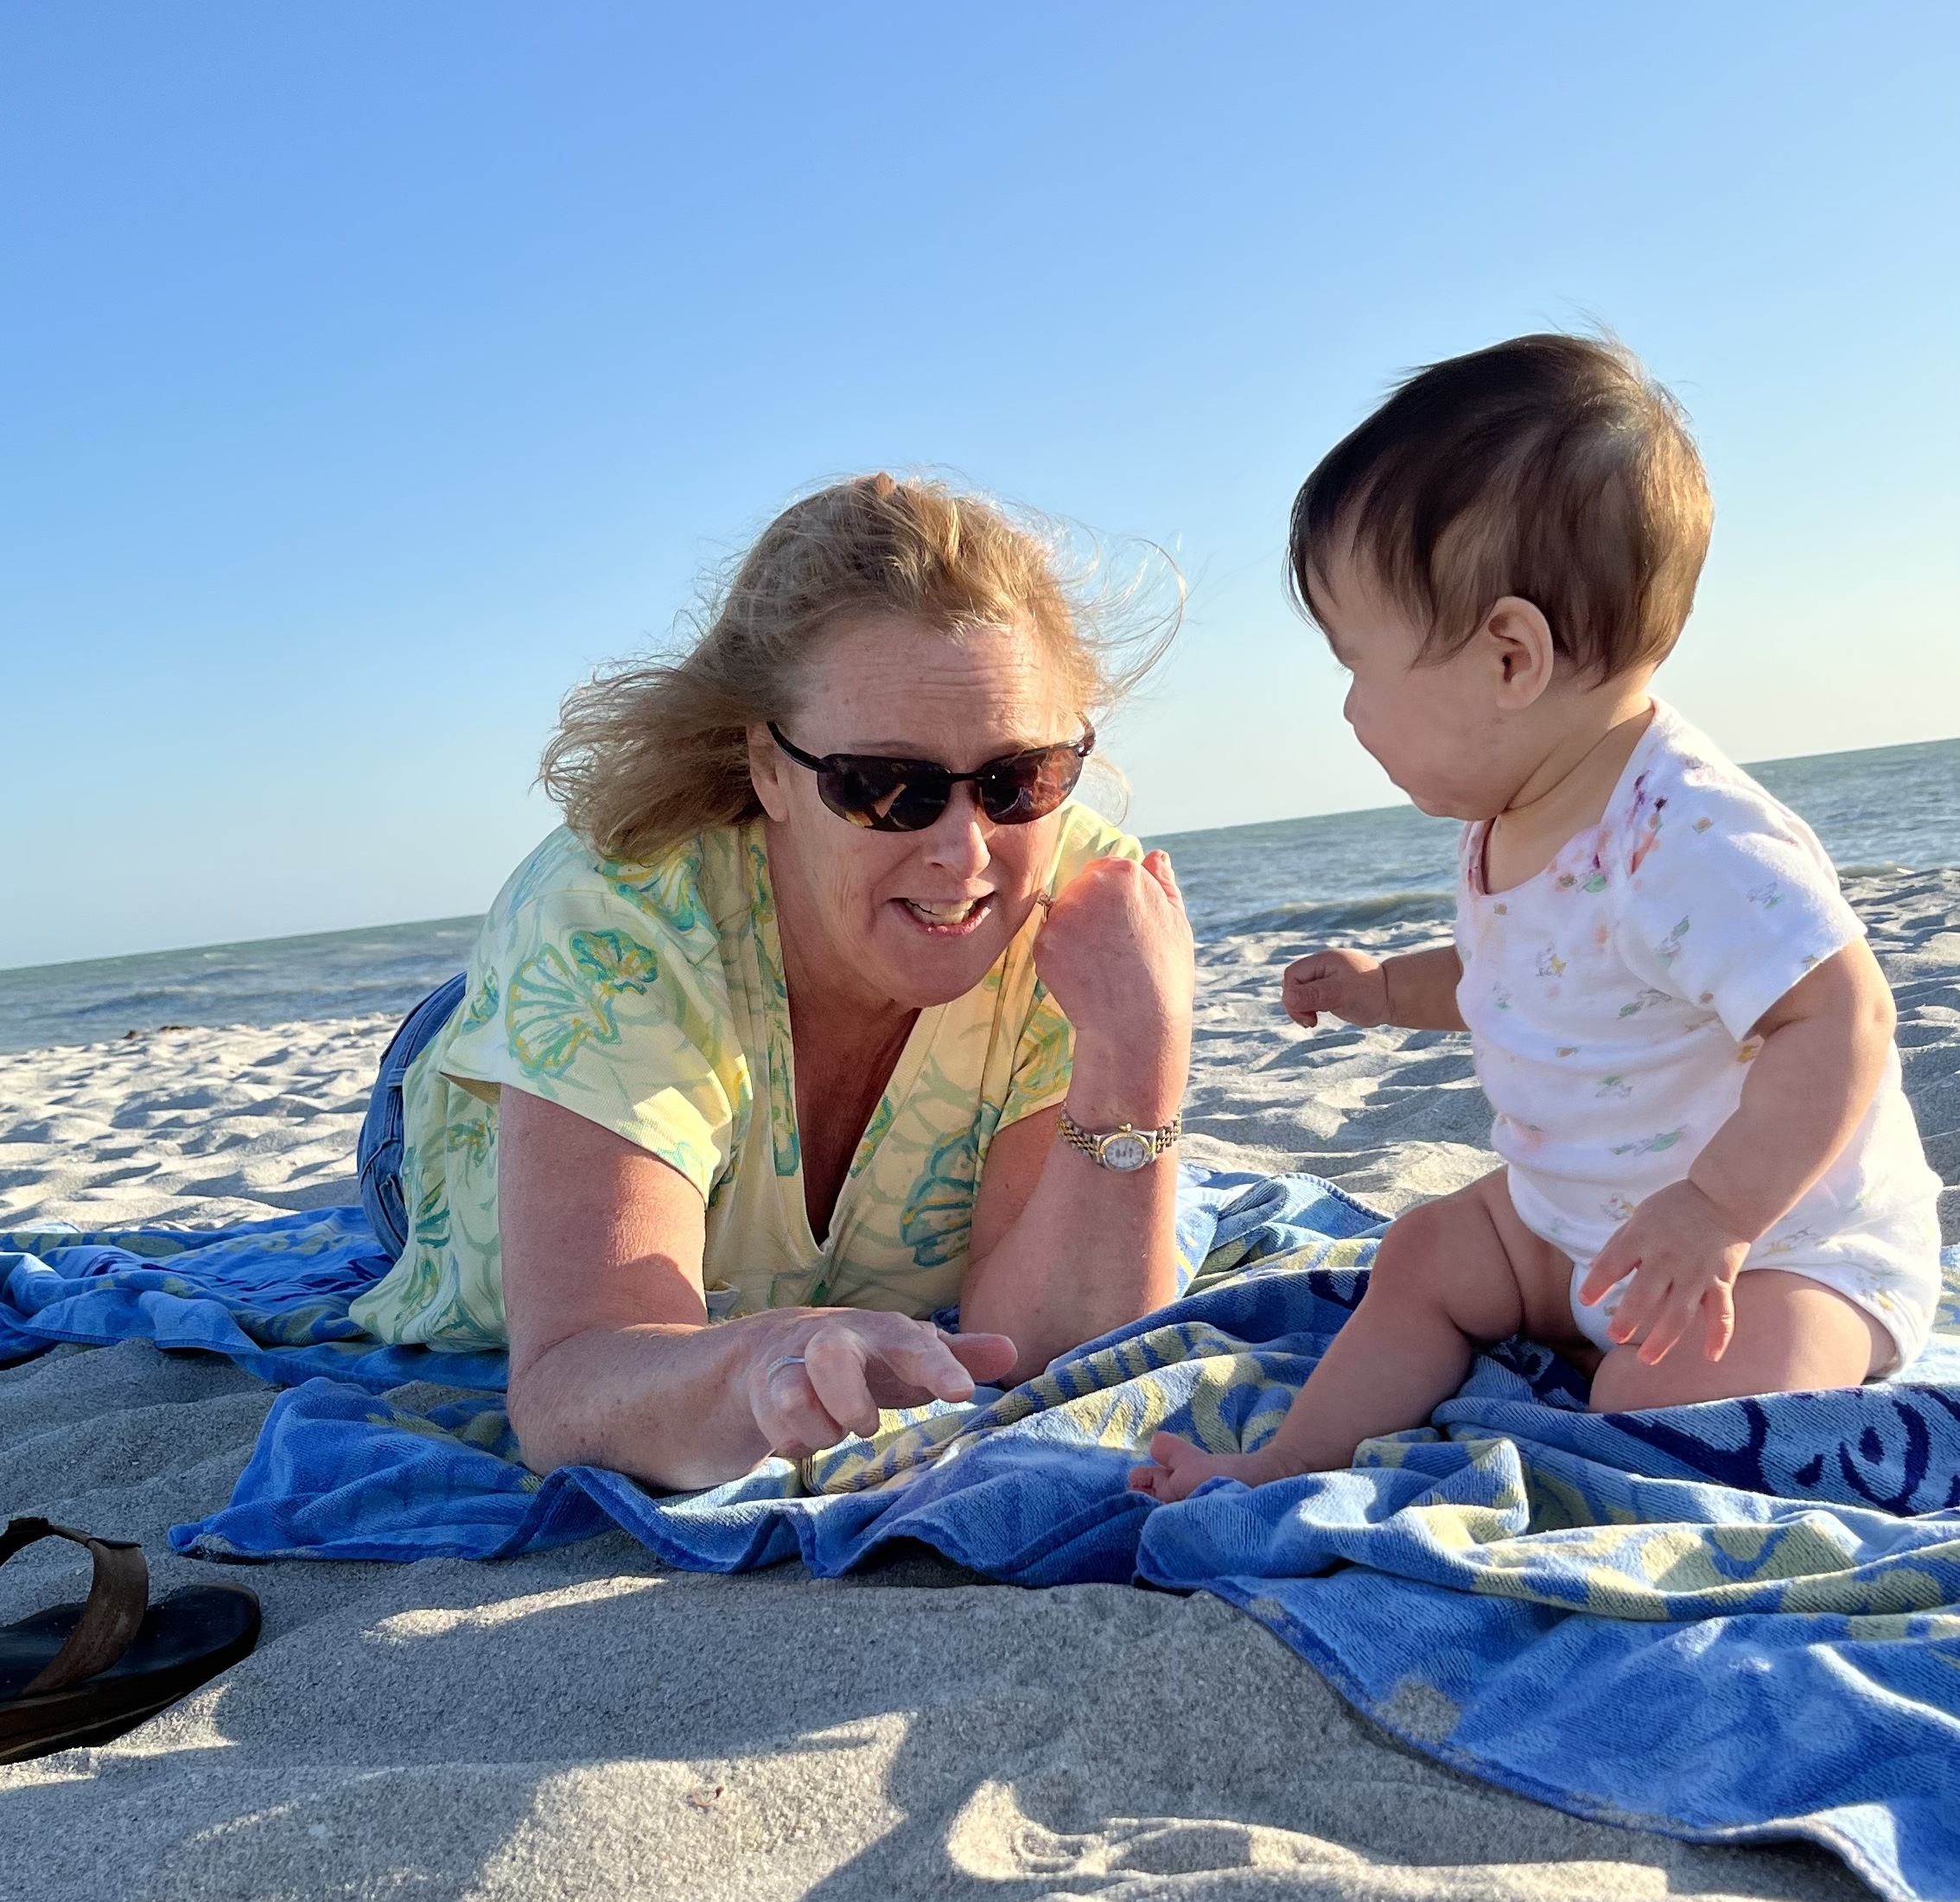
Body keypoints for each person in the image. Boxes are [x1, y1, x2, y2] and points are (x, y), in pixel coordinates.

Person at [1133, 334, 1943, 1504]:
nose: (1349, 711)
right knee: (1424, 1252)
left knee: (1656, 1399)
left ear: (1510, 657)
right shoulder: (1517, 812)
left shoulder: (1692, 836)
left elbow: (1843, 1018)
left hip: (1781, 1248)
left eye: (1358, 664)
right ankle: (1286, 1463)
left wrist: (1718, 1212)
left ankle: (1760, 1342)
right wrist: (1381, 990)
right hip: (1570, 1226)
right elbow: (1514, 974)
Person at [350, 474, 1193, 1492]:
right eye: (888, 787)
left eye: (1021, 778)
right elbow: (572, 1387)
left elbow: (1045, 1348)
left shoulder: (1079, 912)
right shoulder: (611, 921)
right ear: (768, 765)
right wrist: (755, 1360)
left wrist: (1139, 1058)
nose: (966, 851)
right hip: (451, 1113)